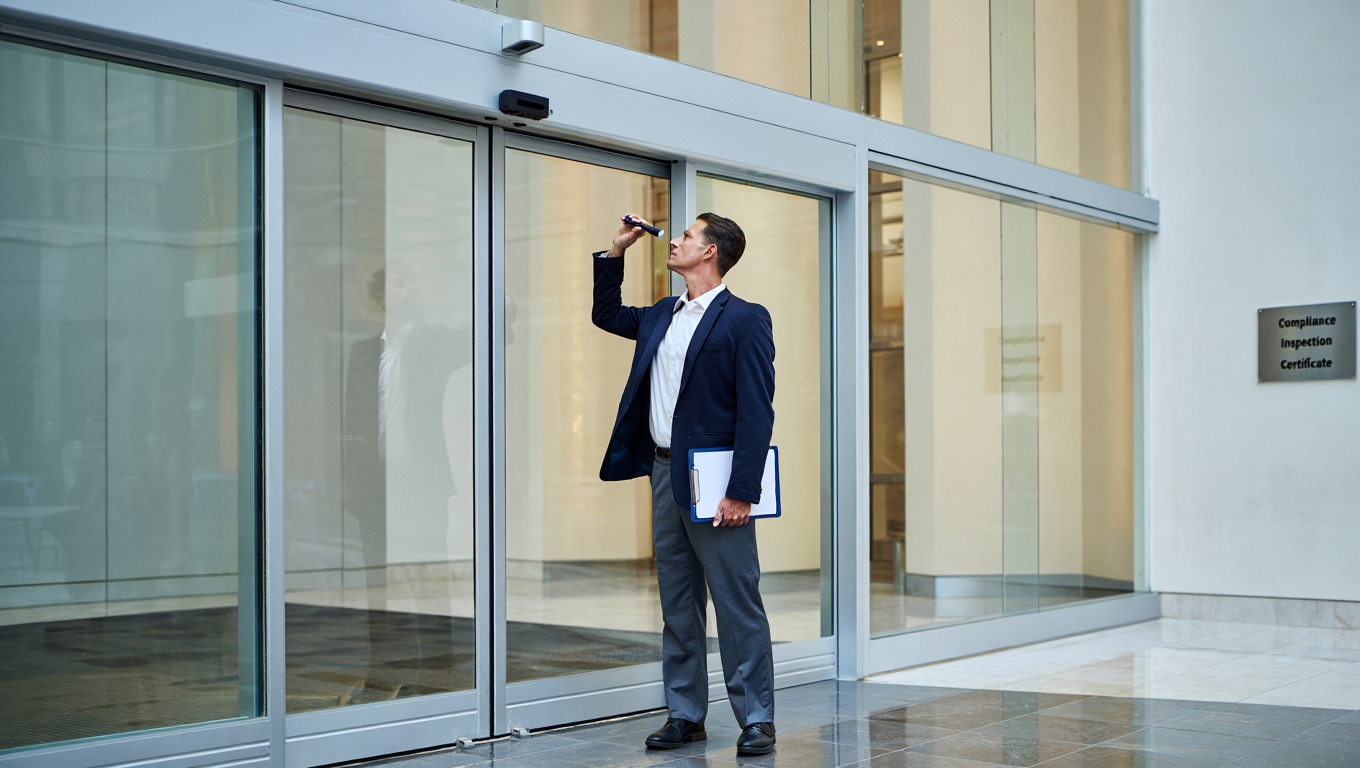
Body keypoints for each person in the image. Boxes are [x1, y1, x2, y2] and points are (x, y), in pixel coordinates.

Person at [591, 212, 777, 756]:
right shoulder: (660, 316)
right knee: (677, 601)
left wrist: (743, 489)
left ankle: (756, 717)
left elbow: (756, 411)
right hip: (664, 471)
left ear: (711, 252)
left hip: (718, 483)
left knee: (736, 600)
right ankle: (685, 714)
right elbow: (605, 314)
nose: (674, 241)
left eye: (688, 236)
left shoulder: (745, 318)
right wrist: (616, 251)